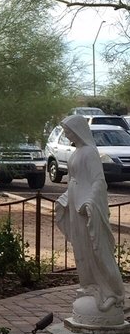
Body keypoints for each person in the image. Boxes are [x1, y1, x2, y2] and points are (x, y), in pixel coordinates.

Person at [55, 115, 126, 315]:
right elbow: (75, 180)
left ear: (78, 131)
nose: (67, 134)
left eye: (69, 131)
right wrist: (64, 198)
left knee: (95, 248)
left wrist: (90, 201)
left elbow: (98, 182)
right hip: (75, 205)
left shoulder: (90, 153)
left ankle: (111, 291)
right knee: (81, 248)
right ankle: (89, 284)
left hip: (87, 207)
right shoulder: (76, 152)